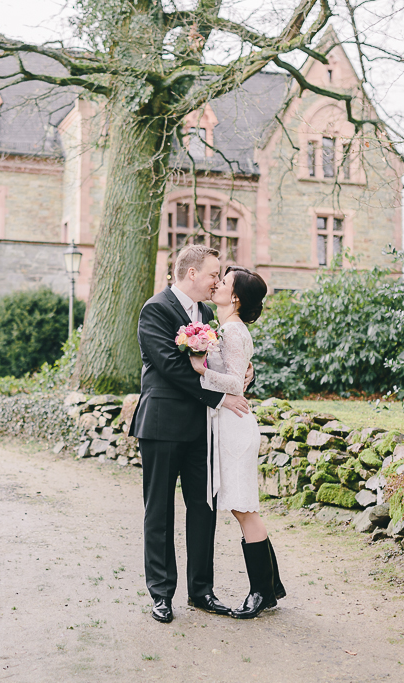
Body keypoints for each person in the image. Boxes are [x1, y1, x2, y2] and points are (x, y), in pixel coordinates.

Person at [128, 245, 253, 624]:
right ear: (192, 273)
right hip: (162, 425)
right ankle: (162, 594)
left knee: (204, 510)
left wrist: (246, 376)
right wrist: (221, 397)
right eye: (214, 273)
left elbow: (219, 362)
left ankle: (202, 592)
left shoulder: (208, 314)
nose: (218, 280)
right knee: (159, 512)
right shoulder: (156, 309)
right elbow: (169, 367)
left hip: (201, 429)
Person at [188, 265, 285, 619]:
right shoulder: (227, 328)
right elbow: (240, 373)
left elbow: (235, 384)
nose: (217, 284)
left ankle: (260, 593)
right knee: (242, 507)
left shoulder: (230, 330)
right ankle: (271, 588)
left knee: (244, 508)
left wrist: (200, 371)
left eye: (224, 282)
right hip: (229, 425)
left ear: (236, 297)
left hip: (235, 426)